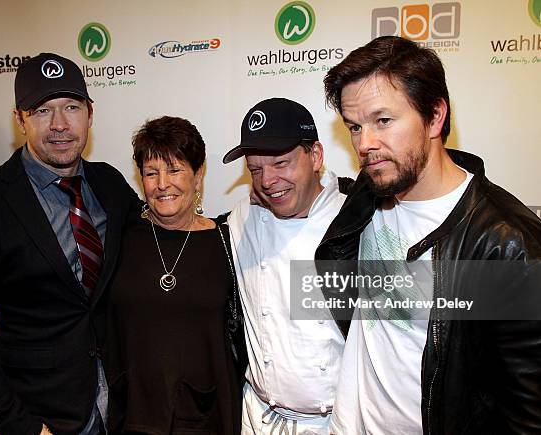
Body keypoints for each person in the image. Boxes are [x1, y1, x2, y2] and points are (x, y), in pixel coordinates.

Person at [317, 36, 541, 434]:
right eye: (355, 126)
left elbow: (527, 414)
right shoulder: (372, 191)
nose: (365, 144)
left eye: (383, 120)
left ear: (435, 116)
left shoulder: (508, 246)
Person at [0, 52, 142, 435]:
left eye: (71, 107)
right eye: (43, 111)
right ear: (20, 119)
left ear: (90, 113)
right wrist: (19, 426)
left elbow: (157, 245)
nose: (60, 125)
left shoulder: (110, 185)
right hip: (41, 416)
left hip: (122, 408)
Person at [106, 116, 245, 434]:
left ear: (198, 175)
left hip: (210, 417)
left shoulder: (227, 240)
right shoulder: (120, 236)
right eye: (151, 173)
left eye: (175, 170)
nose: (162, 184)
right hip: (133, 417)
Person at [223, 98, 351, 434]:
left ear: (316, 156)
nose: (267, 181)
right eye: (255, 169)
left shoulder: (356, 224)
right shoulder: (242, 219)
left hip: (331, 423)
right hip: (257, 416)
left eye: (281, 163)